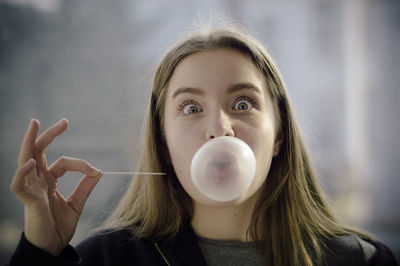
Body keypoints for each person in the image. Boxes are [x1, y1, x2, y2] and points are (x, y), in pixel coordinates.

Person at [6, 26, 398, 266]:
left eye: (242, 103)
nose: (219, 129)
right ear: (163, 142)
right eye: (191, 108)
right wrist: (40, 252)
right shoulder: (106, 260)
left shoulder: (359, 262)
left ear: (278, 135)